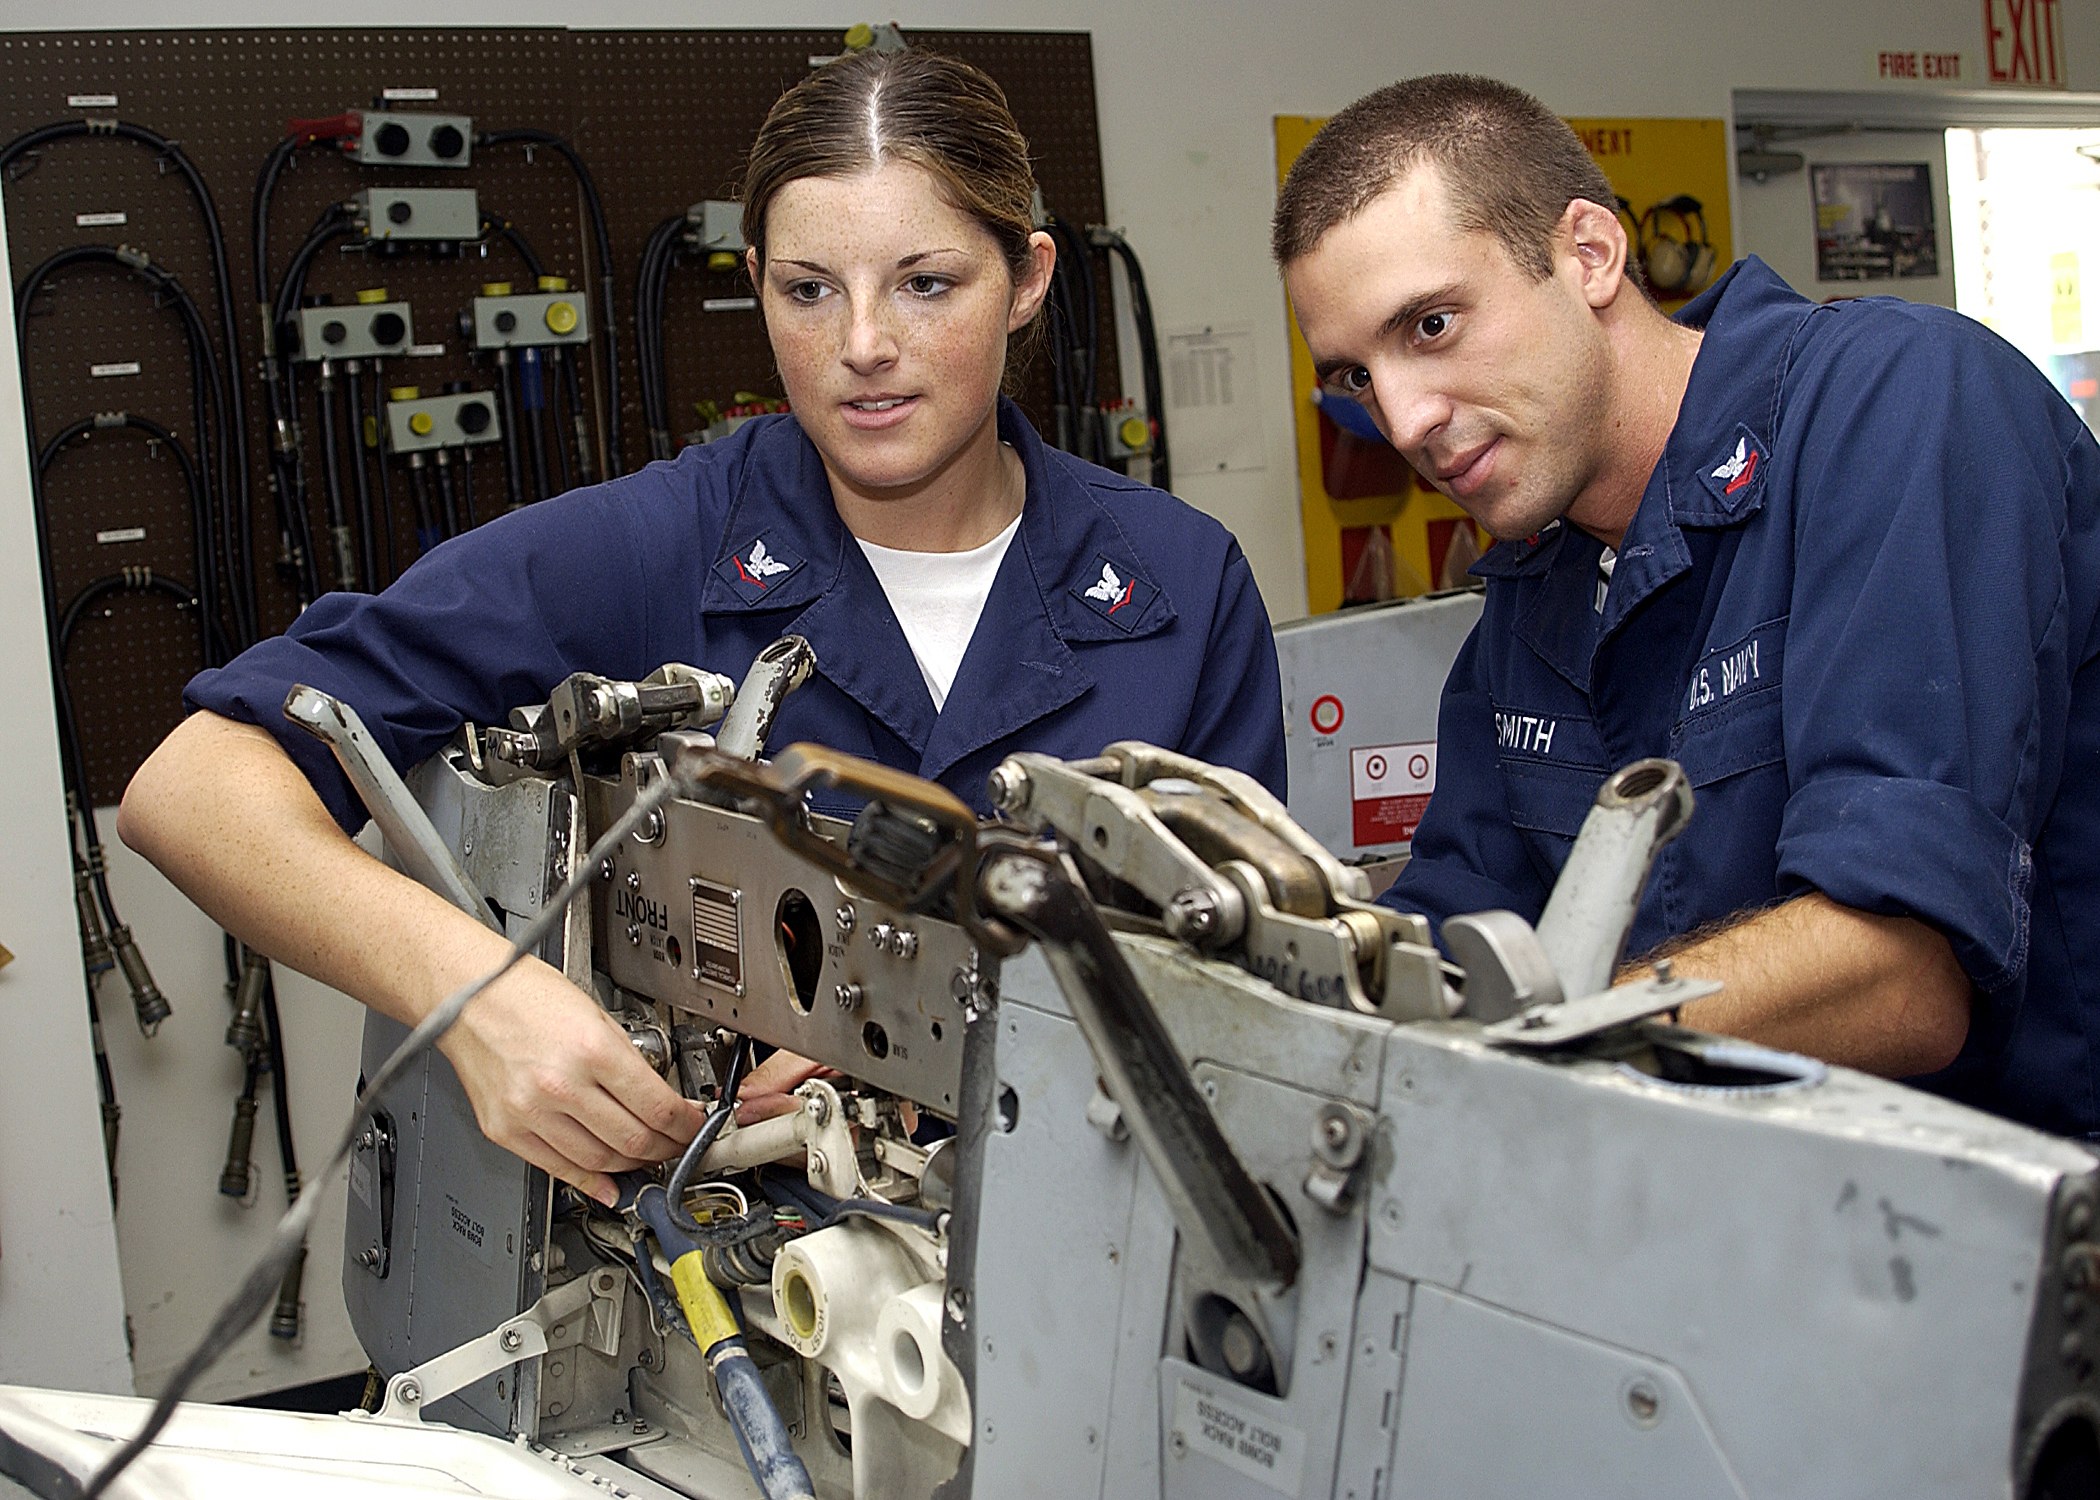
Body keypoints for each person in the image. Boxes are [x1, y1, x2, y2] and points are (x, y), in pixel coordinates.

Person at [119, 49, 1285, 1206]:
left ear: (1026, 279)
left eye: (925, 284)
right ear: (757, 284)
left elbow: (1249, 1013)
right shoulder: (652, 548)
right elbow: (194, 789)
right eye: (809, 290)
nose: (863, 344)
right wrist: (475, 994)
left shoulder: (1180, 584)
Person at [1274, 73, 2100, 1138]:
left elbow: (1897, 976)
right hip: (1747, 1193)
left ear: (1590, 254)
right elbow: (1458, 921)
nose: (1403, 420)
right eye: (1354, 377)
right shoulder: (1535, 581)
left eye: (1431, 325)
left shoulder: (1896, 402)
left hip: (2024, 1193)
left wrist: (1517, 1051)